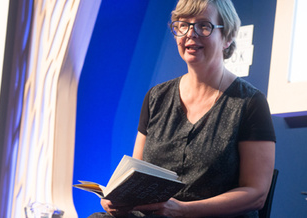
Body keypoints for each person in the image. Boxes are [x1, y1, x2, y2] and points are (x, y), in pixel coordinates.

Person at [90, 0, 276, 217]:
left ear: (227, 37)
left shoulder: (250, 102)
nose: (190, 33)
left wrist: (184, 210)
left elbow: (256, 194)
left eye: (204, 26)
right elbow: (136, 175)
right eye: (182, 25)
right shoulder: (155, 98)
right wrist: (121, 199)